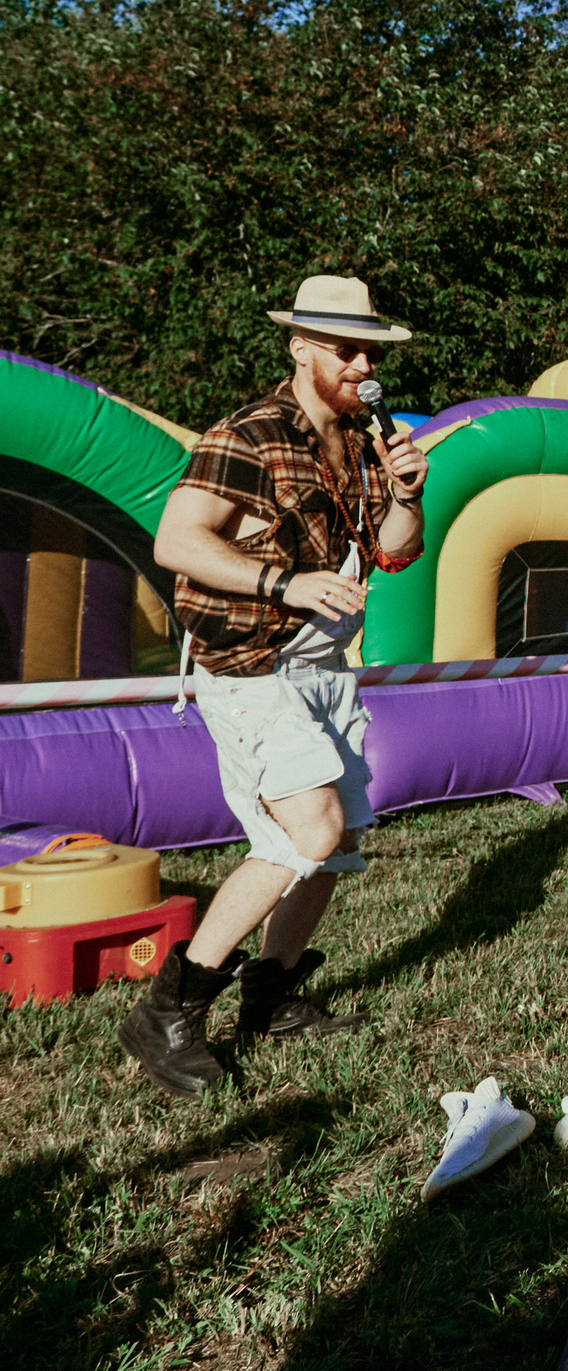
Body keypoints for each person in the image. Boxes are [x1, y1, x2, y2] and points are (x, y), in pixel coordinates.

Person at [121, 276, 429, 1097]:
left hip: (324, 665)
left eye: (370, 350)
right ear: (300, 347)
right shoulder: (248, 435)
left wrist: (408, 493)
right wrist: (282, 584)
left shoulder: (365, 439)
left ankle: (273, 997)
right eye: (346, 349)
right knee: (308, 831)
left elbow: (398, 550)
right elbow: (177, 541)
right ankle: (167, 1012)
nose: (363, 364)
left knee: (340, 844)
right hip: (251, 662)